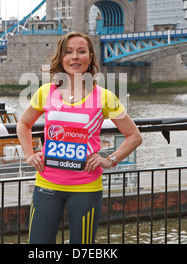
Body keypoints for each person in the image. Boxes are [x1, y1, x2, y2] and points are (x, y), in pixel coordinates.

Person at [17, 31, 142, 244]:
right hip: (47, 183)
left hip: (86, 187)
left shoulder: (104, 96)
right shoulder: (46, 92)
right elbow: (24, 124)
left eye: (81, 51)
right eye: (69, 52)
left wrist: (109, 160)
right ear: (61, 58)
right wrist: (30, 155)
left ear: (90, 57)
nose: (75, 57)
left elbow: (134, 136)